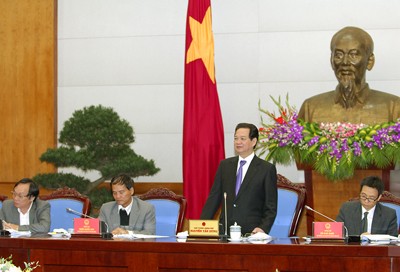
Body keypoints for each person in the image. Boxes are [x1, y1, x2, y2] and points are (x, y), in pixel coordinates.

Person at [299, 26, 400, 124]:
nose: (345, 62)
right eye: (339, 55)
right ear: (331, 61)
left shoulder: (393, 108)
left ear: (369, 61)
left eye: (354, 55)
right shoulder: (311, 108)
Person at [200, 123, 277, 235]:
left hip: (251, 233)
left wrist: (262, 229)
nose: (238, 142)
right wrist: (202, 225)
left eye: (242, 139)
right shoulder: (225, 165)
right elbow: (214, 198)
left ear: (254, 141)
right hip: (225, 232)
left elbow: (271, 206)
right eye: (236, 138)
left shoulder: (266, 169)